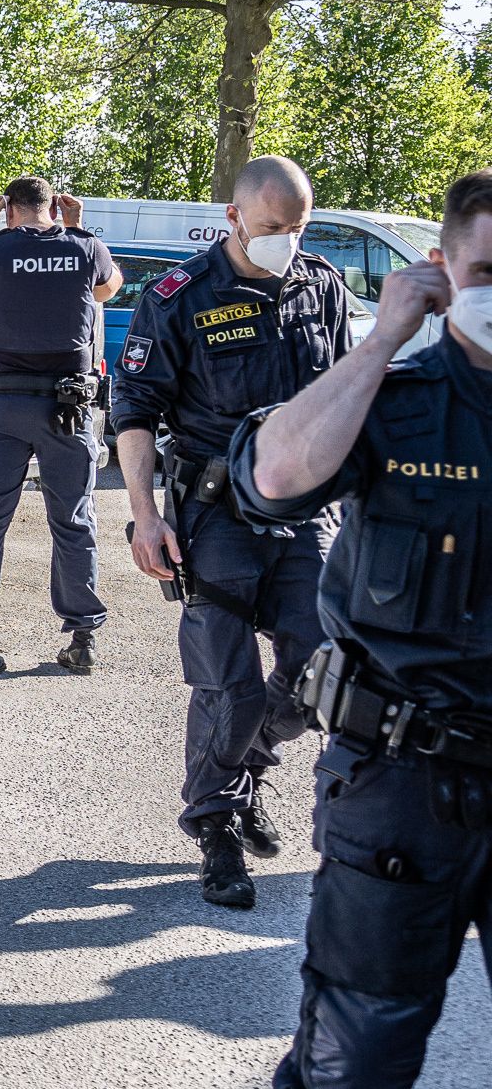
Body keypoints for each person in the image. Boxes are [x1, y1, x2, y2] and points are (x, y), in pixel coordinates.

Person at [233, 170, 492, 1089]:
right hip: (402, 781)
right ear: (443, 272)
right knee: (361, 1025)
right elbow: (275, 477)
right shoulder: (393, 396)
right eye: (490, 272)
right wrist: (381, 338)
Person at [113, 156, 354, 911]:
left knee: (323, 670)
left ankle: (242, 766)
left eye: (299, 226)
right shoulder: (179, 296)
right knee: (229, 683)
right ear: (234, 217)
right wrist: (145, 515)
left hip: (306, 510)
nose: (288, 240)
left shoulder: (322, 285)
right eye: (274, 225)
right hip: (215, 511)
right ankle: (216, 825)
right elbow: (135, 411)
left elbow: (345, 396)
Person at [0, 177, 123, 673]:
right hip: (68, 409)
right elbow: (108, 289)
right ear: (54, 206)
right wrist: (76, 228)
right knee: (74, 520)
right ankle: (82, 641)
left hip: (4, 407)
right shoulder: (85, 246)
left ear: (9, 208)